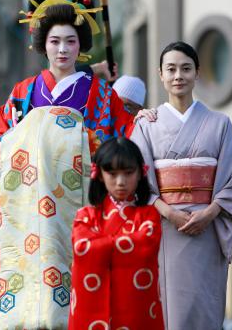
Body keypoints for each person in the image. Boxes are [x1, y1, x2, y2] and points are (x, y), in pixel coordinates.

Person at [0, 0, 134, 329]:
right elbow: (1, 139)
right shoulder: (23, 93)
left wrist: (141, 119)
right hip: (31, 204)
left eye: (70, 41)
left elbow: (124, 136)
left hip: (82, 202)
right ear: (44, 45)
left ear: (80, 45)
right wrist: (2, 185)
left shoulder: (100, 94)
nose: (63, 49)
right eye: (55, 41)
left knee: (81, 288)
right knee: (31, 283)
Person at [131, 41, 232, 329]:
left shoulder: (219, 123)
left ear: (197, 73)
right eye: (170, 69)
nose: (178, 76)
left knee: (206, 308)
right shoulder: (147, 124)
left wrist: (209, 213)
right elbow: (136, 179)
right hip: (163, 228)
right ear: (160, 75)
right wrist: (168, 212)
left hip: (207, 228)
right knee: (167, 311)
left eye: (186, 68)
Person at [68, 137, 164, 329]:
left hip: (136, 310)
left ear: (140, 173)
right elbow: (81, 248)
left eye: (128, 173)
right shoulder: (86, 215)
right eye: (112, 174)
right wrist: (123, 244)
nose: (121, 182)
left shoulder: (149, 215)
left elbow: (144, 248)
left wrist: (101, 243)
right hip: (92, 313)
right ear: (100, 175)